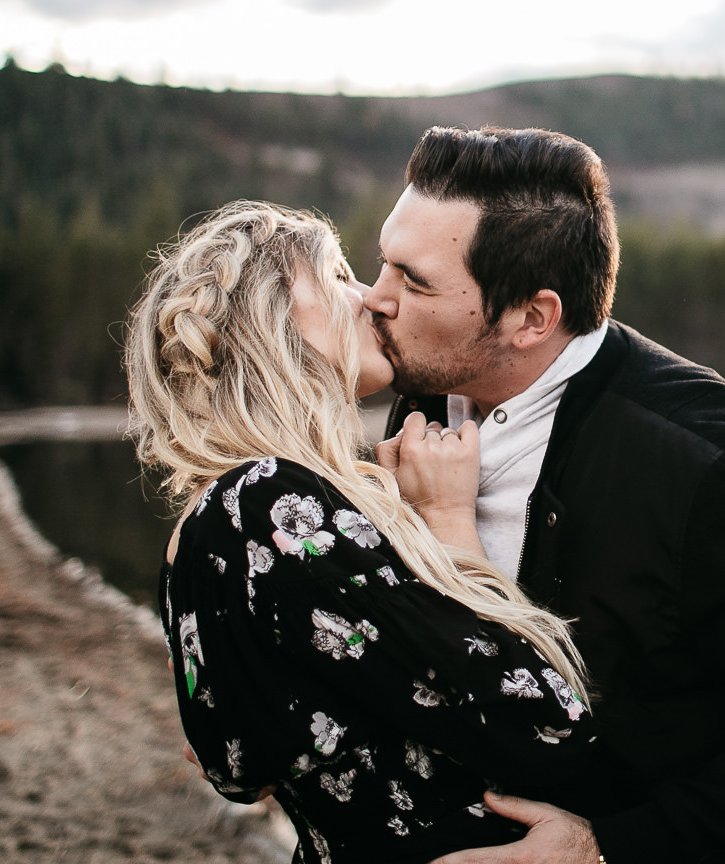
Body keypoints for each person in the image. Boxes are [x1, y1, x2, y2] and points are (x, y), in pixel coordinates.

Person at [366, 126, 725, 864]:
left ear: (533, 318)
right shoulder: (431, 393)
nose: (376, 297)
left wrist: (609, 852)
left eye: (415, 280)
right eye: (383, 262)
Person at [126, 201, 598, 864]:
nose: (372, 299)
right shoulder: (274, 501)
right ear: (277, 323)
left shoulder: (201, 531)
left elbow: (233, 768)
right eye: (339, 277)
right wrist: (446, 518)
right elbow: (548, 725)